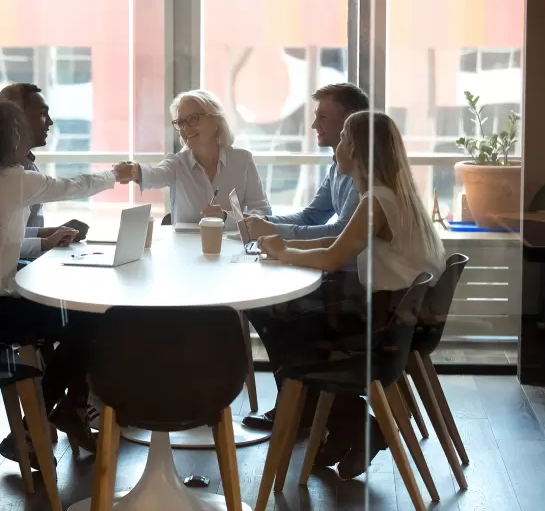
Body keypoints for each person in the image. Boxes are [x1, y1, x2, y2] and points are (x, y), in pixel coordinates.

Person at [0, 90, 134, 467]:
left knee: (79, 317)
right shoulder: (10, 180)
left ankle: (68, 409)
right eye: (15, 131)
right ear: (3, 136)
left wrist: (43, 240)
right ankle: (44, 422)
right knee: (92, 317)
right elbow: (73, 186)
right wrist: (116, 174)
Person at [256, 110, 446, 479]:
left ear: (355, 149)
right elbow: (339, 244)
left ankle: (352, 424)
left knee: (284, 328)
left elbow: (332, 258)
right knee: (288, 321)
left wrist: (284, 253)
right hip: (401, 319)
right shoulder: (394, 194)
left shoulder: (376, 200)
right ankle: (347, 425)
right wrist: (284, 249)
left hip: (384, 328)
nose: (337, 146)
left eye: (343, 138)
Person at [241, 83, 368, 431]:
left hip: (353, 291)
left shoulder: (365, 178)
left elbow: (338, 233)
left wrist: (276, 236)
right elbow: (312, 216)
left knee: (272, 309)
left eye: (322, 117)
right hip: (345, 280)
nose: (314, 125)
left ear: (349, 123)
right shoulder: (339, 166)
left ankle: (300, 407)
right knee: (267, 308)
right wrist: (266, 223)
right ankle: (300, 404)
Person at [119, 89, 270, 228]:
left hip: (230, 247)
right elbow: (155, 174)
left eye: (193, 119)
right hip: (184, 247)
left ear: (215, 121)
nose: (185, 128)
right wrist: (134, 171)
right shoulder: (177, 164)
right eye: (180, 122)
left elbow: (263, 212)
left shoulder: (242, 161)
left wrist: (226, 217)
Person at [0, 83, 75, 264]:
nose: (50, 121)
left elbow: (12, 234)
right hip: (9, 271)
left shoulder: (28, 165)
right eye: (42, 113)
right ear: (17, 119)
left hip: (27, 263)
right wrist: (46, 241)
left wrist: (52, 233)